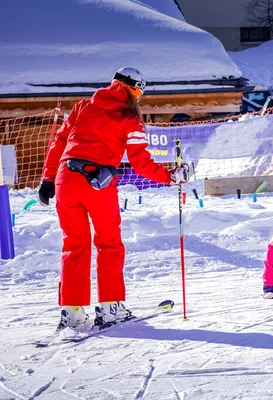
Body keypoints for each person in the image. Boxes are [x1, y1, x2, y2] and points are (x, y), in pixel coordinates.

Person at [37, 67, 189, 329]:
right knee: (109, 245)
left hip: (65, 179)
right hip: (98, 183)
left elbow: (59, 142)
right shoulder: (129, 118)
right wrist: (170, 177)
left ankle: (72, 311)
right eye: (140, 92)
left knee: (74, 245)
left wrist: (48, 179)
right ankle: (111, 308)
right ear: (135, 89)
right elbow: (140, 163)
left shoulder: (82, 106)